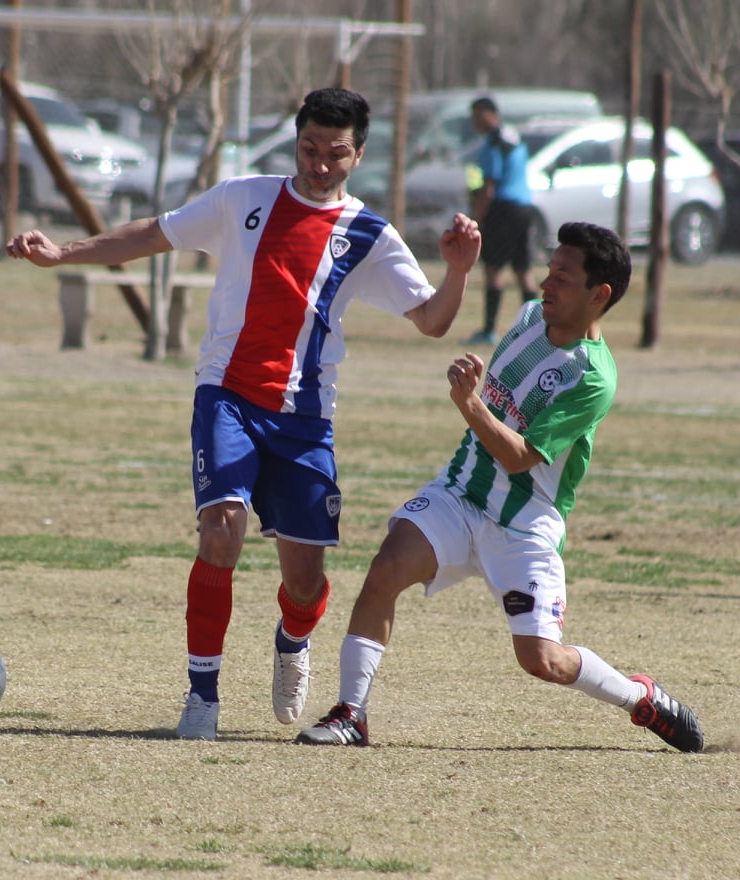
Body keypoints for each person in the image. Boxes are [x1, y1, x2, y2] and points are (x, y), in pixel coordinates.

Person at [6, 87, 482, 741]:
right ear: (296, 142)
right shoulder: (241, 199)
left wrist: (457, 272)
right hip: (226, 395)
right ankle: (202, 697)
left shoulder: (369, 234)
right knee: (220, 532)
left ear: (359, 155)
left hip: (305, 419)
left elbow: (432, 320)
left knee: (306, 583)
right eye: (309, 148)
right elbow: (155, 233)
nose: (320, 164)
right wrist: (63, 252)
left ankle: (292, 639)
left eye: (336, 153)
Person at [294, 222, 704, 753]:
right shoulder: (529, 318)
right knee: (386, 568)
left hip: (524, 526)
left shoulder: (592, 378)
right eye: (549, 270)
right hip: (460, 494)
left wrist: (470, 404)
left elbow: (519, 458)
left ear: (599, 295)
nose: (545, 283)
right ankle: (352, 715)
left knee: (542, 660)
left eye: (562, 277)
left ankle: (639, 696)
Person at [463, 97, 537, 348]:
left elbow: (488, 188)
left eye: (476, 115)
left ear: (489, 114)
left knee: (493, 270)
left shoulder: (493, 143)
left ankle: (489, 330)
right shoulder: (514, 137)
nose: (473, 121)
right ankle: (537, 330)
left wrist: (476, 220)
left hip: (503, 209)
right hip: (524, 207)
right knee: (523, 271)